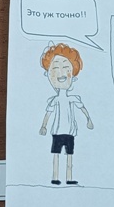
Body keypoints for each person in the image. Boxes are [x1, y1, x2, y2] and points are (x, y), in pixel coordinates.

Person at [38, 43, 93, 186]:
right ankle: (55, 177)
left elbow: (83, 109)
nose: (61, 73)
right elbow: (48, 113)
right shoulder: (55, 100)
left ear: (73, 75)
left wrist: (88, 119)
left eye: (66, 68)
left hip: (70, 132)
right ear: (48, 74)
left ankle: (69, 178)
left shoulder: (73, 98)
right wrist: (44, 126)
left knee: (69, 155)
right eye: (55, 69)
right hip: (57, 132)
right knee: (56, 155)